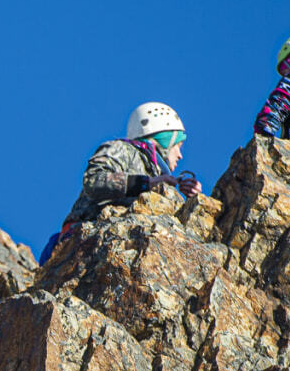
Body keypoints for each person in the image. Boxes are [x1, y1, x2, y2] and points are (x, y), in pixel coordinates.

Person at [40, 102, 201, 263]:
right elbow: (94, 180)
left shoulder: (159, 177)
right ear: (165, 140)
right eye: (178, 146)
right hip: (84, 238)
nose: (180, 155)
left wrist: (194, 201)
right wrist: (146, 183)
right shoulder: (122, 149)